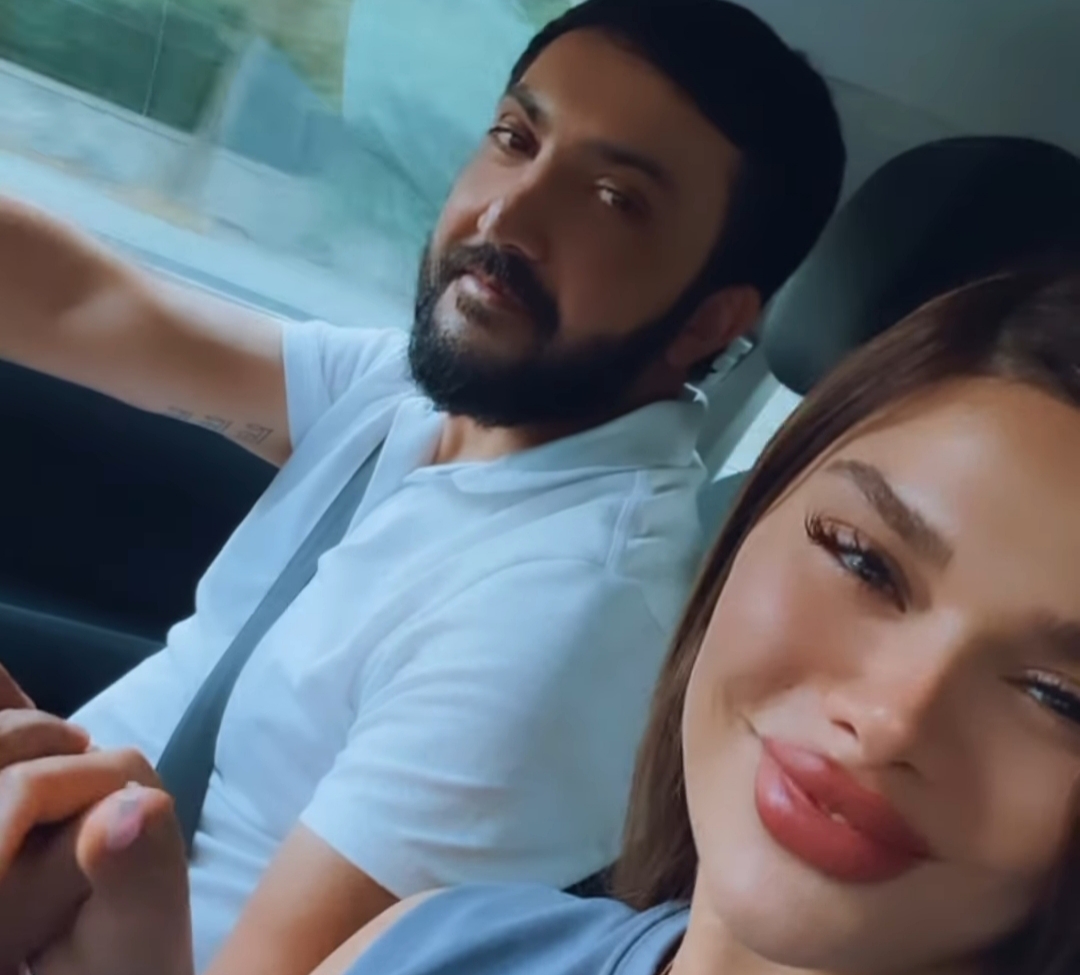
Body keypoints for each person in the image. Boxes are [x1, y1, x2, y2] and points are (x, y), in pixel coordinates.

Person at [0, 1, 846, 973]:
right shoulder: (416, 399)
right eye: (516, 138)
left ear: (707, 321)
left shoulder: (568, 612)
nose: (507, 215)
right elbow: (89, 308)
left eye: (614, 197)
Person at [9, 264, 1080, 975]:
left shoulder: (576, 594)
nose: (892, 719)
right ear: (748, 530)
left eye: (1060, 696)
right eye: (861, 559)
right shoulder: (447, 939)